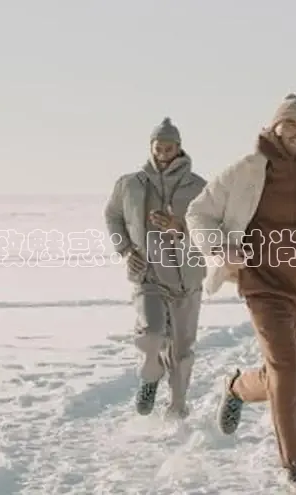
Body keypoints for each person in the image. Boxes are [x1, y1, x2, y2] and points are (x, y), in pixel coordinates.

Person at [184, 94, 296, 493]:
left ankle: (237, 386)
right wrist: (219, 246)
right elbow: (198, 213)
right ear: (274, 127)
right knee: (285, 370)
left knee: (286, 375)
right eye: (291, 124)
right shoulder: (245, 170)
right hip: (262, 282)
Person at [104, 117, 207, 420]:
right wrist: (125, 249)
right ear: (151, 147)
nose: (163, 154)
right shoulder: (130, 184)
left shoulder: (199, 187)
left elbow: (212, 228)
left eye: (168, 148)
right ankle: (151, 375)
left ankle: (177, 407)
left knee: (182, 350)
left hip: (187, 277)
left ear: (179, 148)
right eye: (158, 148)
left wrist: (180, 227)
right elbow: (112, 215)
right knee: (150, 336)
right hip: (147, 273)